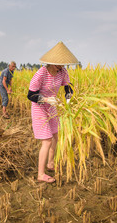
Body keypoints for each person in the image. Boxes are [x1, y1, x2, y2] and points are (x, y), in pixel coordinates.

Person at [27, 41, 78, 183]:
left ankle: (50, 163)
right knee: (47, 140)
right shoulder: (40, 74)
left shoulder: (63, 72)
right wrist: (46, 99)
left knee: (56, 135)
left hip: (52, 107)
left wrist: (68, 97)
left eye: (63, 64)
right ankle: (40, 174)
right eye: (58, 64)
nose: (61, 67)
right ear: (50, 62)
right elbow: (30, 95)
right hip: (39, 108)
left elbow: (67, 87)